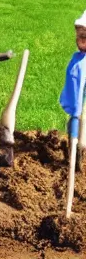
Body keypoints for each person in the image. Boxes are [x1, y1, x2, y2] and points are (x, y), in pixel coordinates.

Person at [59, 11, 86, 171]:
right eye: (78, 36)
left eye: (84, 36)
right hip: (78, 111)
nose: (79, 41)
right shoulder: (78, 61)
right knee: (76, 119)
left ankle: (79, 149)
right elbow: (74, 85)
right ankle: (75, 153)